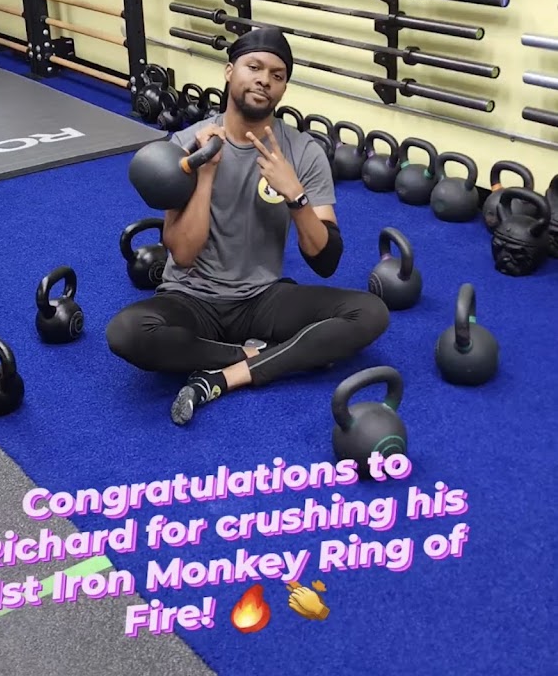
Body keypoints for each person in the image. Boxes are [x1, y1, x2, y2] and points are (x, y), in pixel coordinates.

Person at [106, 26, 389, 425]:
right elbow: (182, 255)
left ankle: (224, 377)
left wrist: (295, 195)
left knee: (370, 312)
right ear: (229, 71)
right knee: (127, 332)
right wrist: (206, 172)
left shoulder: (303, 152)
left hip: (261, 299)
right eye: (253, 67)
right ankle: (257, 355)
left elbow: (326, 261)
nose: (264, 80)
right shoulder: (186, 145)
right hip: (192, 298)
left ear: (284, 88)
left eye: (277, 75)